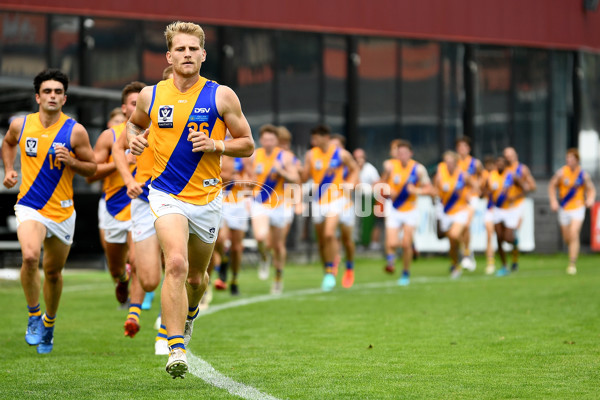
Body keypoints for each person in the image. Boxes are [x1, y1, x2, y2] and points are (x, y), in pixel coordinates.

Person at [128, 21, 254, 378]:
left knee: (196, 279)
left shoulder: (221, 95)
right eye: (180, 49)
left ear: (203, 54)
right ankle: (175, 347)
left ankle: (191, 314)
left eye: (192, 49)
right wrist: (134, 139)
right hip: (166, 194)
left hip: (208, 199)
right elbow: (135, 124)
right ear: (169, 56)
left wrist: (217, 144)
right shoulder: (150, 95)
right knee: (177, 264)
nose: (186, 54)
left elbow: (248, 143)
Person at [1, 69, 96, 354]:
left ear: (64, 98)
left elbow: (91, 168)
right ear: (37, 97)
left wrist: (72, 161)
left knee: (53, 273)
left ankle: (49, 324)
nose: (52, 96)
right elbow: (7, 143)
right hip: (30, 205)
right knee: (30, 256)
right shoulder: (21, 125)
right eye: (47, 91)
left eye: (57, 92)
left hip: (63, 212)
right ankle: (33, 316)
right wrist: (9, 169)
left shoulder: (74, 130)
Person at [87, 82, 147, 307]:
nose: (139, 106)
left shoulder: (159, 130)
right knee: (116, 267)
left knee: (136, 259)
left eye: (142, 102)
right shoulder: (109, 136)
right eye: (134, 103)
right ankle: (121, 279)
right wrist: (119, 161)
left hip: (142, 202)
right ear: (124, 109)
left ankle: (135, 311)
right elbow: (90, 175)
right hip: (113, 204)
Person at [302, 125, 358, 291]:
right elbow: (305, 177)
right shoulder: (311, 155)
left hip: (338, 199)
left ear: (325, 137)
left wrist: (350, 183)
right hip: (319, 200)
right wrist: (300, 172)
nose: (313, 141)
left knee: (333, 235)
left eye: (316, 138)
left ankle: (346, 267)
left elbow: (355, 169)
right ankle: (327, 270)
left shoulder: (341, 154)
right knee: (321, 241)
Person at [250, 124, 299, 294]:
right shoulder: (255, 155)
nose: (268, 142)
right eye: (265, 139)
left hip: (279, 204)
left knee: (278, 245)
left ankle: (278, 278)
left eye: (272, 139)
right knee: (260, 236)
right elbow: (249, 177)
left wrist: (282, 172)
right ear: (261, 140)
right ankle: (264, 258)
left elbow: (296, 178)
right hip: (259, 202)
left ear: (276, 140)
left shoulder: (285, 157)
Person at [380, 140, 432, 285]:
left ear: (410, 154)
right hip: (394, 208)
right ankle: (391, 260)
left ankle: (405, 272)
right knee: (391, 242)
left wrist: (416, 190)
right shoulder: (390, 166)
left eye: (404, 153)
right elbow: (379, 185)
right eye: (399, 153)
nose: (401, 155)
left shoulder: (418, 169)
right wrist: (387, 190)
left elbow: (430, 190)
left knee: (406, 243)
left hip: (410, 209)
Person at [548, 149, 596, 275]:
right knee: (567, 238)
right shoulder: (561, 173)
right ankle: (572, 251)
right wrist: (553, 201)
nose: (569, 160)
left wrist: (590, 199)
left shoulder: (583, 175)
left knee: (574, 233)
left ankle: (572, 263)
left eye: (572, 158)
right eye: (567, 158)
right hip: (564, 208)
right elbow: (552, 186)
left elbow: (591, 189)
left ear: (577, 160)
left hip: (578, 207)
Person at [213, 153, 252, 295]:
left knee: (237, 247)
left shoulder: (244, 155)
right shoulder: (218, 148)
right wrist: (228, 177)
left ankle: (234, 280)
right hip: (221, 199)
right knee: (219, 239)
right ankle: (223, 259)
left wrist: (241, 180)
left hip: (239, 203)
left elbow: (252, 180)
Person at [486, 155, 527, 276]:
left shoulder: (512, 175)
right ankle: (504, 266)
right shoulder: (491, 175)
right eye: (497, 163)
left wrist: (515, 197)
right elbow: (485, 190)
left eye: (501, 163)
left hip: (510, 210)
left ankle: (515, 245)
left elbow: (524, 189)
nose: (499, 165)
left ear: (505, 164)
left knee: (508, 238)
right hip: (498, 210)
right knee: (499, 238)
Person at [434, 151, 473, 279]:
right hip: (446, 211)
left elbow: (476, 187)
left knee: (454, 234)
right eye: (447, 162)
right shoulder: (440, 175)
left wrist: (470, 195)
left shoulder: (463, 175)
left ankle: (466, 253)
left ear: (456, 163)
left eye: (451, 162)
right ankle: (455, 265)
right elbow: (435, 190)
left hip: (461, 210)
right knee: (451, 241)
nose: (448, 164)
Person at [502, 147, 536, 273]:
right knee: (504, 236)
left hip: (518, 204)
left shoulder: (522, 169)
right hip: (504, 206)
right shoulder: (502, 169)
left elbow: (532, 186)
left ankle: (515, 261)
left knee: (512, 233)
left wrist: (521, 184)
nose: (508, 157)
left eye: (510, 155)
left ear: (515, 155)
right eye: (506, 155)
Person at [455, 137, 482, 272]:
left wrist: (473, 190)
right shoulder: (454, 163)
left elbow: (482, 178)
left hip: (472, 198)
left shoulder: (475, 163)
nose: (462, 149)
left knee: (466, 224)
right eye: (460, 147)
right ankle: (467, 252)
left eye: (464, 146)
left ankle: (466, 253)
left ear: (469, 148)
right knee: (458, 229)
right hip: (458, 200)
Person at [353, 148, 382, 251]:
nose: (359, 161)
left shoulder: (370, 169)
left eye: (361, 158)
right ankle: (356, 243)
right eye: (356, 158)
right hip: (354, 199)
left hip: (368, 200)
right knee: (355, 223)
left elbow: (377, 184)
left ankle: (368, 243)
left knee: (368, 223)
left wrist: (368, 189)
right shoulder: (352, 168)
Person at [480, 156, 497, 275]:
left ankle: (513, 259)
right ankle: (490, 262)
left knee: (504, 236)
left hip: (503, 209)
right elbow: (481, 193)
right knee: (489, 235)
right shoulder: (485, 176)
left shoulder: (503, 175)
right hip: (490, 209)